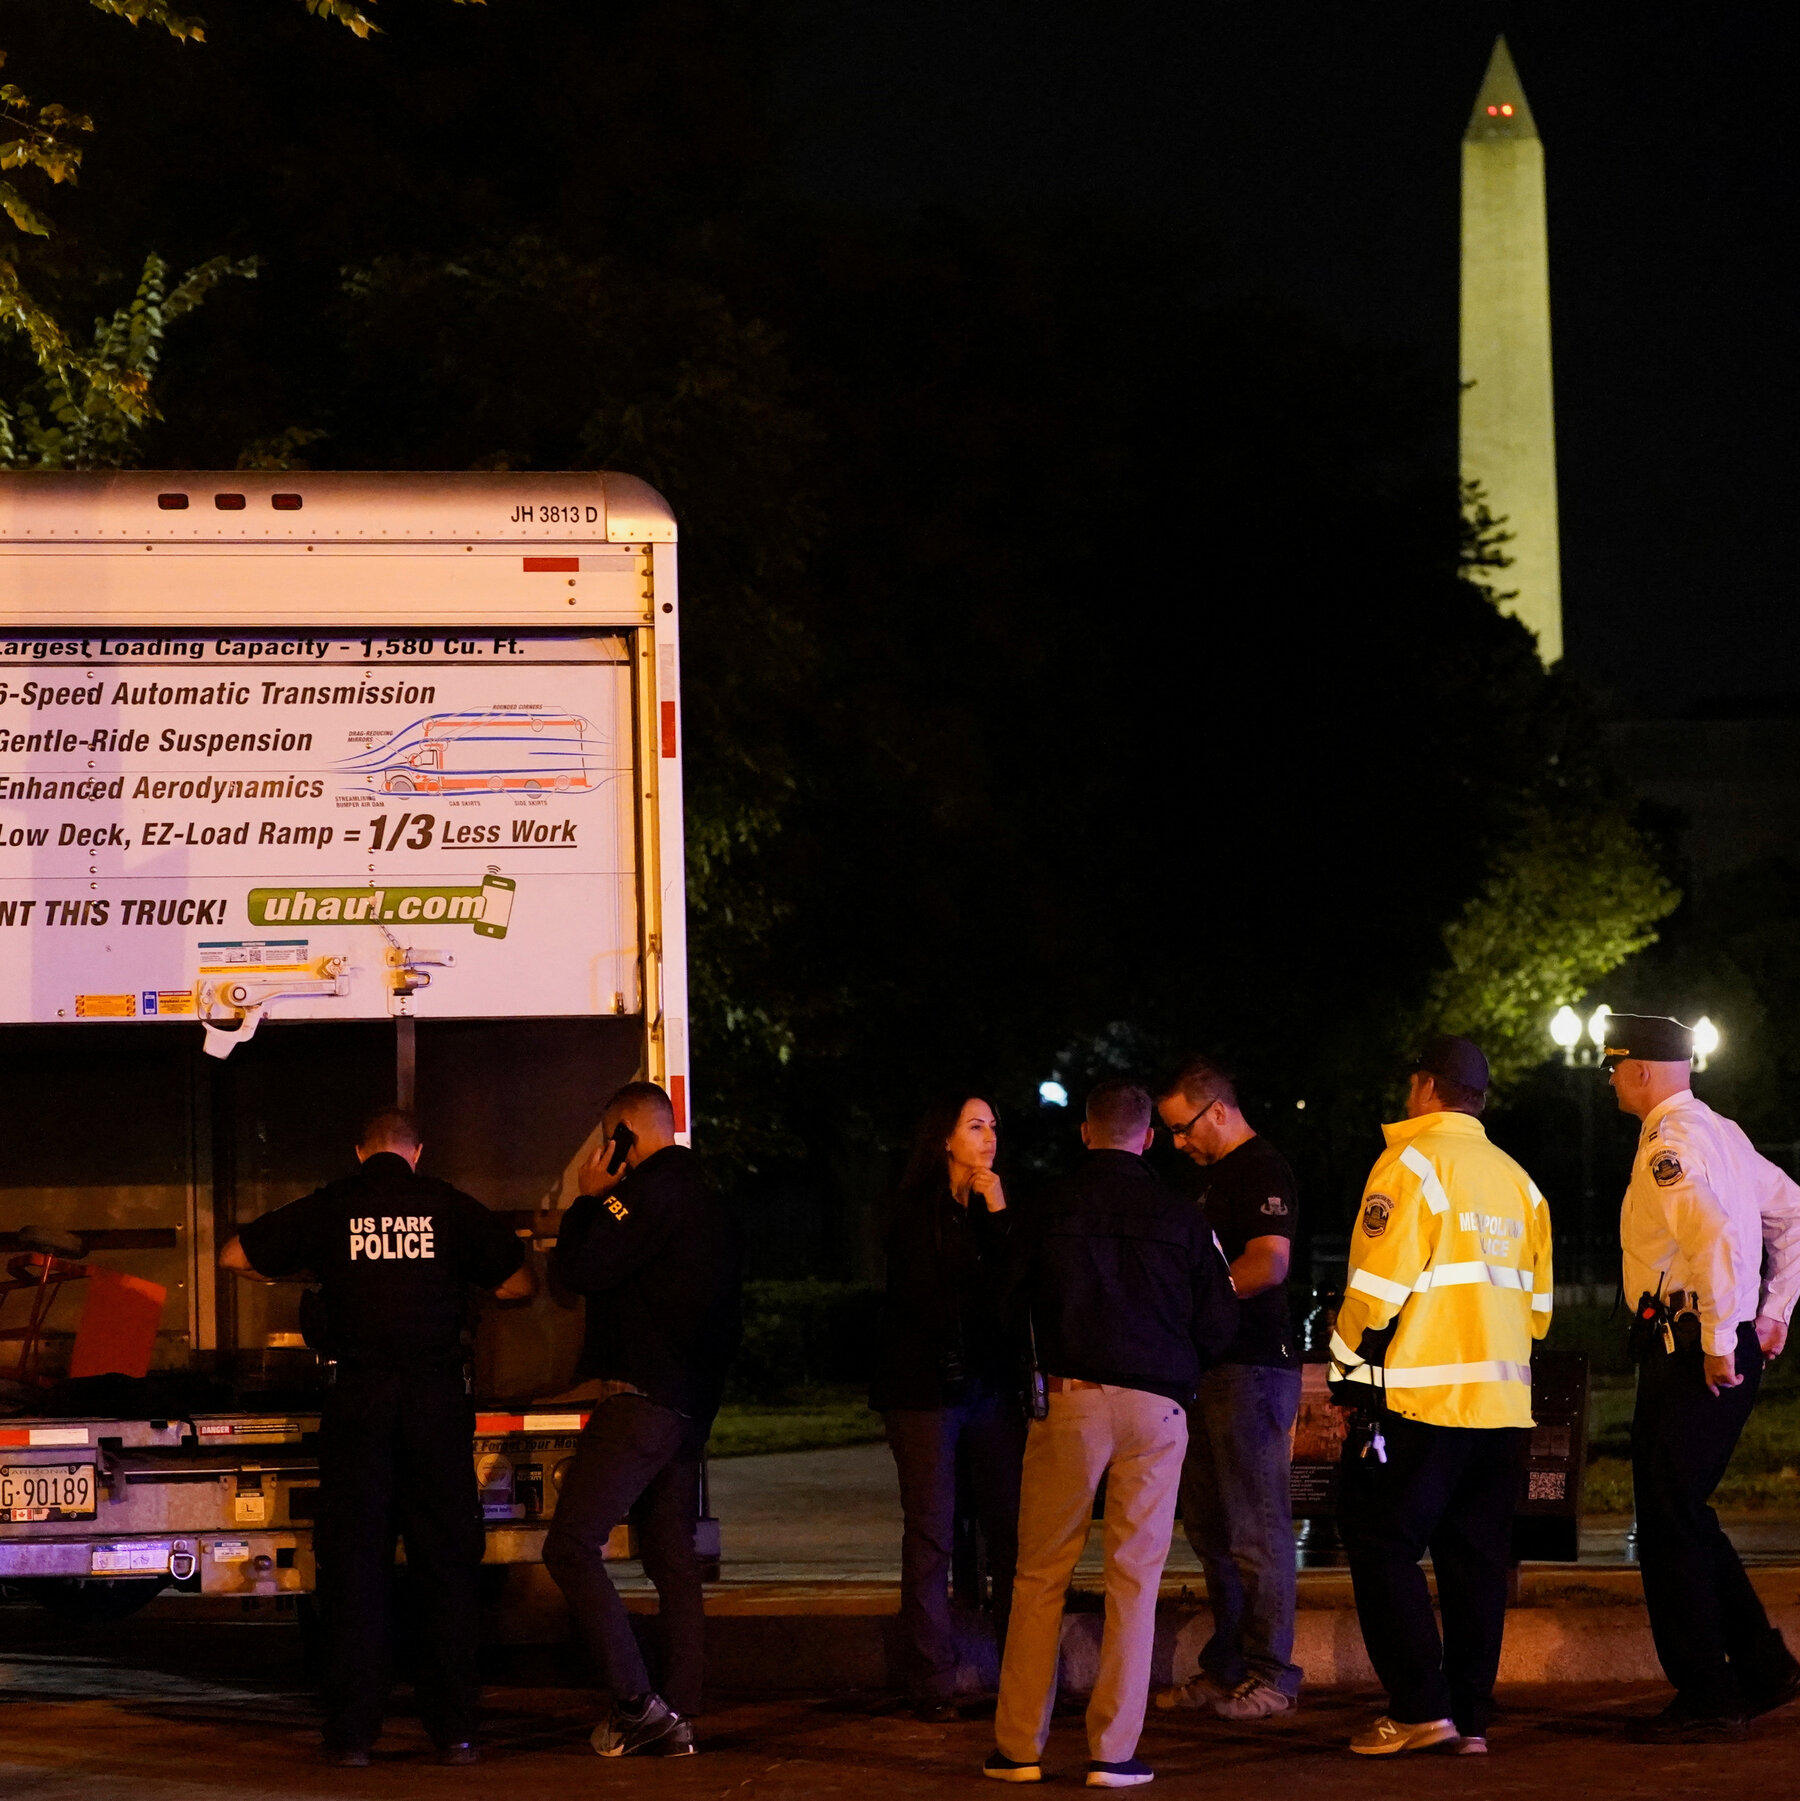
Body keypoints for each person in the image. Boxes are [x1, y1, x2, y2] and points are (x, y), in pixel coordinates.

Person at [220, 1107, 533, 1767]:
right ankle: (455, 1731)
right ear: (417, 1150)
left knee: (356, 1566)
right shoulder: (446, 1206)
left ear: (360, 1150)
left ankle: (355, 1733)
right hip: (436, 1400)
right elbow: (519, 1280)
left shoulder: (335, 1205)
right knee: (445, 1564)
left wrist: (317, 1275)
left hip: (358, 1401)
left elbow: (234, 1255)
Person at [985, 1080, 1238, 1790]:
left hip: (1070, 1401)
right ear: (1148, 1137)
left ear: (1085, 1133)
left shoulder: (1047, 1207)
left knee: (1039, 1574)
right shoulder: (1183, 1220)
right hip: (1157, 1407)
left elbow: (1003, 1304)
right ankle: (1112, 1751)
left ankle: (1017, 1748)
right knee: (1135, 1577)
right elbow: (1220, 1324)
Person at [1330, 1035, 1551, 1758]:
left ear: (1426, 1086)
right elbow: (1540, 1311)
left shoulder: (1410, 1163)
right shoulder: (1521, 1182)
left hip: (1425, 1400)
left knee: (1380, 1542)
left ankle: (1421, 1706)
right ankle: (1471, 1717)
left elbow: (1374, 1290)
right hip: (1504, 1404)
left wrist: (1341, 1362)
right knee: (1475, 1560)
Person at [1603, 1012, 1800, 1740]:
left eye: (1614, 1065)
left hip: (1693, 1348)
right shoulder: (1722, 1130)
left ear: (1644, 1069)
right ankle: (1760, 1664)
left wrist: (1722, 1338)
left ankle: (1710, 1693)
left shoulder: (1671, 1142)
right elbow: (1793, 1214)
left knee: (1667, 1517)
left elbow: (1715, 1234)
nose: (1609, 1079)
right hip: (1709, 1341)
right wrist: (1772, 1312)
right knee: (1679, 1507)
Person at [542, 1081, 744, 1759]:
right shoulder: (707, 1196)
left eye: (610, 1137)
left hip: (642, 1400)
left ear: (625, 1134)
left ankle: (637, 1704)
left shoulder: (648, 1191)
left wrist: (586, 1197)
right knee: (669, 1556)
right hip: (687, 1406)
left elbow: (578, 1269)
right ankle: (678, 1708)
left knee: (570, 1546)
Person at [1152, 1055, 1303, 1721]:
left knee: (1256, 1528)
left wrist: (1196, 1308)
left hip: (1250, 1366)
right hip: (1211, 1369)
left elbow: (1267, 1262)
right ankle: (1229, 1664)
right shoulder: (1214, 1180)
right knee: (1212, 1528)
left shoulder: (1261, 1168)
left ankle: (1274, 1673)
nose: (1179, 1144)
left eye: (1183, 1129)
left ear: (1217, 1108)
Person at [870, 1093, 1026, 1721]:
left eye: (994, 1125)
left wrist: (999, 1212)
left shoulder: (989, 1208)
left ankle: (1022, 1668)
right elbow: (937, 1299)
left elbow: (1016, 1289)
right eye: (975, 1125)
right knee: (932, 1532)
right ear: (944, 1139)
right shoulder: (915, 1212)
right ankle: (931, 1678)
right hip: (926, 1394)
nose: (989, 1137)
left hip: (988, 1389)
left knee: (1010, 1529)